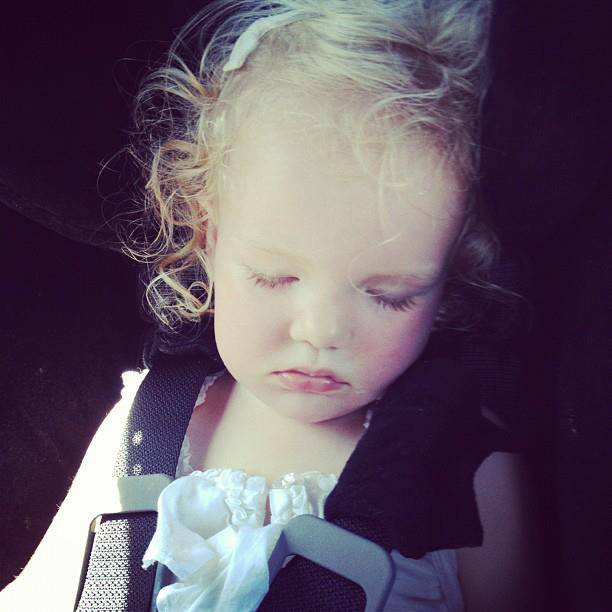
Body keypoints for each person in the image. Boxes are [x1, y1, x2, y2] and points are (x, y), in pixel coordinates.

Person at [0, 0, 542, 610]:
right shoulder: (146, 428)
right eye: (273, 277)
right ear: (207, 240)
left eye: (390, 296)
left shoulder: (465, 470)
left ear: (448, 280)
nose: (321, 330)